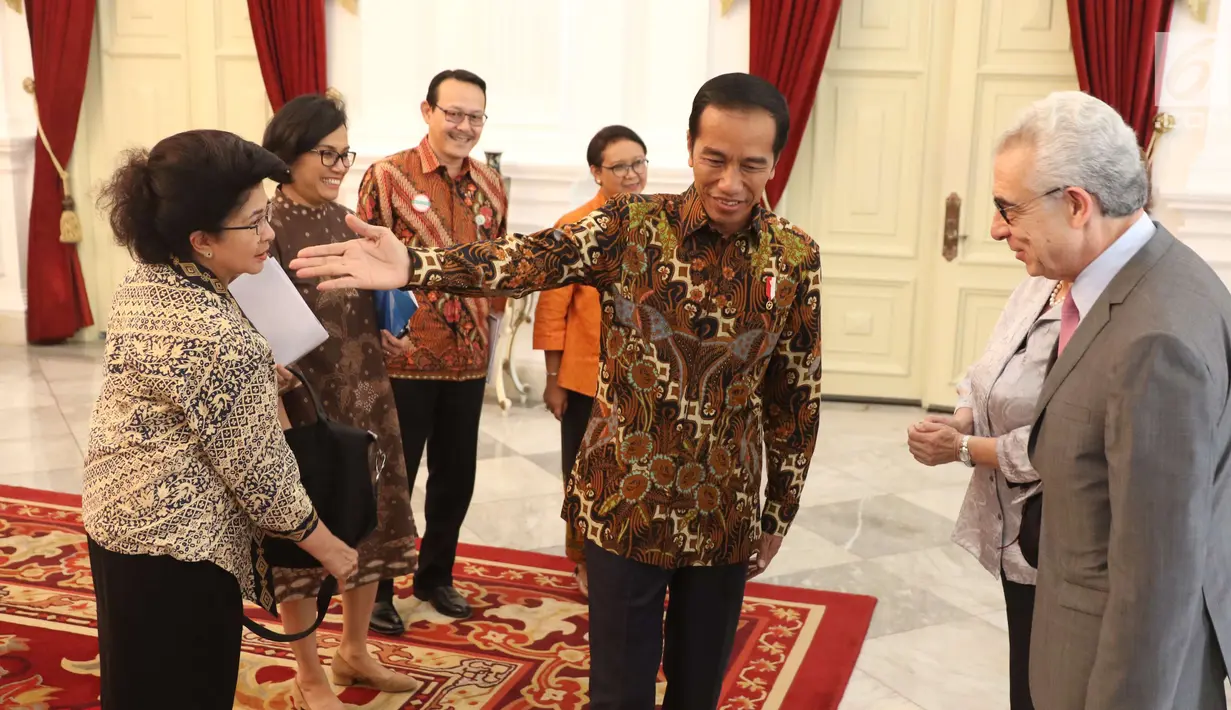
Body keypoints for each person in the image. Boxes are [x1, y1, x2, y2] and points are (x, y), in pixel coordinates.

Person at [290, 72, 823, 710]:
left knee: (699, 690)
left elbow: (795, 395)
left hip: (726, 512)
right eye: (715, 159)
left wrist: (778, 509)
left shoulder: (793, 258)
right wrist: (416, 264)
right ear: (688, 147)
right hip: (627, 504)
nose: (731, 182)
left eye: (751, 165)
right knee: (618, 694)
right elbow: (526, 259)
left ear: (775, 162)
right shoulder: (633, 226)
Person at [82, 129, 359, 709]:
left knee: (135, 687)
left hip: (117, 521)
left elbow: (177, 389)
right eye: (254, 223)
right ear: (202, 239)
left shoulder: (145, 282)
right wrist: (331, 548)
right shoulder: (221, 338)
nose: (269, 234)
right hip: (180, 550)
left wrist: (252, 382)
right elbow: (262, 478)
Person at [996, 91, 1231, 709]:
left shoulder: (1155, 338)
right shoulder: (1146, 276)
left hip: (1108, 674)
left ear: (1076, 205)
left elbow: (1158, 579)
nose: (998, 229)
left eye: (1009, 208)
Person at [260, 94, 421, 708]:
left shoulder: (344, 218)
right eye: (325, 153)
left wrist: (383, 327)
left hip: (366, 395)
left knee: (367, 519)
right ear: (288, 152)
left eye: (343, 153)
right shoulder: (265, 225)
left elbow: (360, 296)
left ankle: (353, 650)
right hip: (300, 403)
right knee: (302, 533)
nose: (338, 165)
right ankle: (308, 672)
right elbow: (246, 312)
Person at [355, 68, 508, 632]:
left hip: (467, 359)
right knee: (392, 477)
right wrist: (375, 330)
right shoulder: (388, 175)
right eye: (454, 113)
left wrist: (492, 324)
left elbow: (499, 266)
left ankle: (435, 575)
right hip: (406, 355)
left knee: (456, 477)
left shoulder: (492, 185)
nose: (464, 125)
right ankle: (377, 590)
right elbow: (366, 259)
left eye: (475, 116)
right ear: (428, 111)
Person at [906, 272, 1065, 710]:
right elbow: (986, 373)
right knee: (1027, 678)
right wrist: (962, 418)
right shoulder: (1039, 285)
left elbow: (1067, 442)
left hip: (1062, 531)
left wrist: (962, 448)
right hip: (1017, 532)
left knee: (1054, 685)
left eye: (1011, 211)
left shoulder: (1097, 304)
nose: (998, 229)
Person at [533, 124, 649, 597]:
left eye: (638, 163)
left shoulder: (661, 221)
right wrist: (554, 377)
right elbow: (552, 308)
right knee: (582, 475)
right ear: (596, 172)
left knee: (636, 474)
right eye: (620, 166)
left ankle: (634, 556)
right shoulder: (575, 226)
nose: (632, 174)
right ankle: (583, 559)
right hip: (586, 379)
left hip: (645, 381)